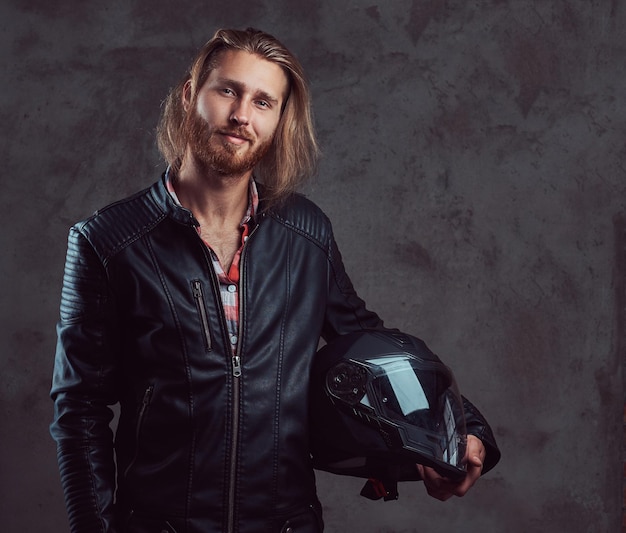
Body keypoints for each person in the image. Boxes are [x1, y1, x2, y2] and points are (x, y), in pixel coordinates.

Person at [50, 27, 500, 533]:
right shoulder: (107, 241)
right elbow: (80, 407)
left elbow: (369, 344)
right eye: (228, 91)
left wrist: (464, 432)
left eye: (264, 101)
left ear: (280, 119)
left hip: (286, 523)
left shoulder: (305, 231)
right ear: (188, 96)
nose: (242, 114)